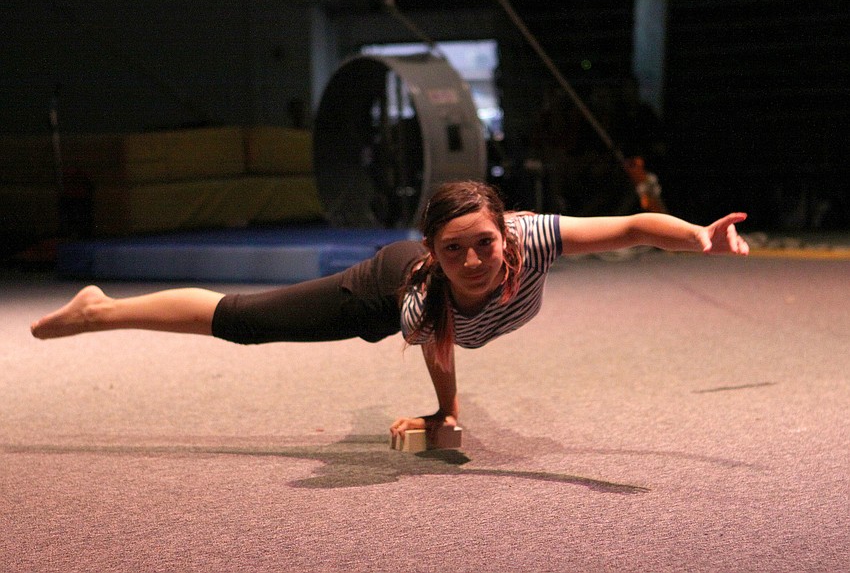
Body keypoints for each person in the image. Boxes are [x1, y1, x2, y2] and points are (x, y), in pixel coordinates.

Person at [30, 180, 749, 442]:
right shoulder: (419, 297)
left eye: (484, 245)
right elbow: (442, 350)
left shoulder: (532, 239)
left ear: (506, 234)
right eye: (457, 250)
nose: (476, 260)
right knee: (246, 322)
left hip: (429, 271)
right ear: (437, 254)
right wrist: (445, 413)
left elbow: (627, 227)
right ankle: (102, 308)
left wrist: (694, 237)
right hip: (379, 282)